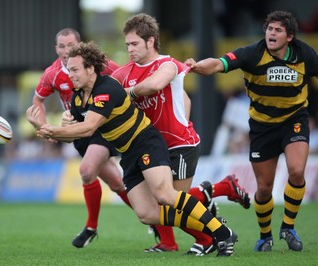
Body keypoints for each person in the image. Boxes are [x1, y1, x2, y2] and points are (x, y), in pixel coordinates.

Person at [27, 41, 238, 256]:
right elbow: (73, 136)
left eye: (75, 69)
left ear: (90, 69)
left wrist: (50, 129)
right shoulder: (78, 97)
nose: (70, 75)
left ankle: (221, 232)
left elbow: (88, 128)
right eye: (68, 70)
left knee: (165, 195)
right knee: (147, 214)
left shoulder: (106, 88)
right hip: (128, 154)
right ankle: (212, 220)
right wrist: (48, 129)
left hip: (146, 143)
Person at [111, 13, 250, 255]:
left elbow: (156, 86)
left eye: (134, 44)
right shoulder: (123, 73)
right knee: (151, 211)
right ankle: (220, 192)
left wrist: (180, 123)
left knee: (172, 203)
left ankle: (214, 234)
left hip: (178, 145)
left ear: (151, 41)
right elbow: (105, 99)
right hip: (148, 148)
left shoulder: (168, 64)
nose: (130, 49)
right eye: (127, 45)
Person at [185, 10, 318, 252]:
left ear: (289, 37)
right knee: (264, 187)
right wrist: (196, 67)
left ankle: (288, 227)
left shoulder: (305, 54)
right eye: (269, 29)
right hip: (262, 127)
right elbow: (219, 63)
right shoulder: (252, 54)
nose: (272, 34)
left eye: (278, 30)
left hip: (293, 120)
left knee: (297, 171)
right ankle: (265, 235)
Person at [28, 28, 131, 248]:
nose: (66, 51)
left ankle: (91, 226)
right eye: (61, 46)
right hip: (77, 131)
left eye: (70, 45)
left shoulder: (99, 63)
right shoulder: (52, 74)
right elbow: (37, 101)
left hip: (102, 126)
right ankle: (161, 229)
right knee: (117, 183)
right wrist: (45, 126)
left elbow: (127, 79)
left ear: (79, 44)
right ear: (56, 49)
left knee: (86, 170)